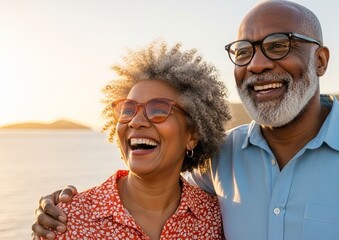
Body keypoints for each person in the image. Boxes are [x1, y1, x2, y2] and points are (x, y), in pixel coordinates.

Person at [33, 1, 339, 239]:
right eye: (244, 51)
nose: (258, 64)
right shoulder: (219, 159)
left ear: (320, 60)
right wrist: (67, 204)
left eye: (278, 46)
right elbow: (158, 181)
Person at [32, 41, 230, 239]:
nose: (136, 122)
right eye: (128, 110)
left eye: (159, 110)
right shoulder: (66, 221)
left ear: (192, 135)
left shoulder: (217, 219)